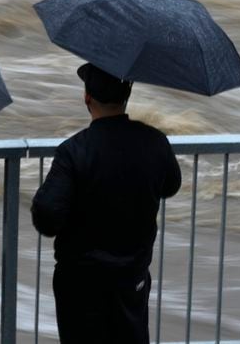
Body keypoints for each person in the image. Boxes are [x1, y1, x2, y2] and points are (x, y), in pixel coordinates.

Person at [32, 63, 181, 344]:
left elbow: (47, 216)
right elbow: (171, 185)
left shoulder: (74, 151)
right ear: (127, 95)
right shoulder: (155, 142)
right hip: (131, 276)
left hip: (81, 281)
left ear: (87, 97)